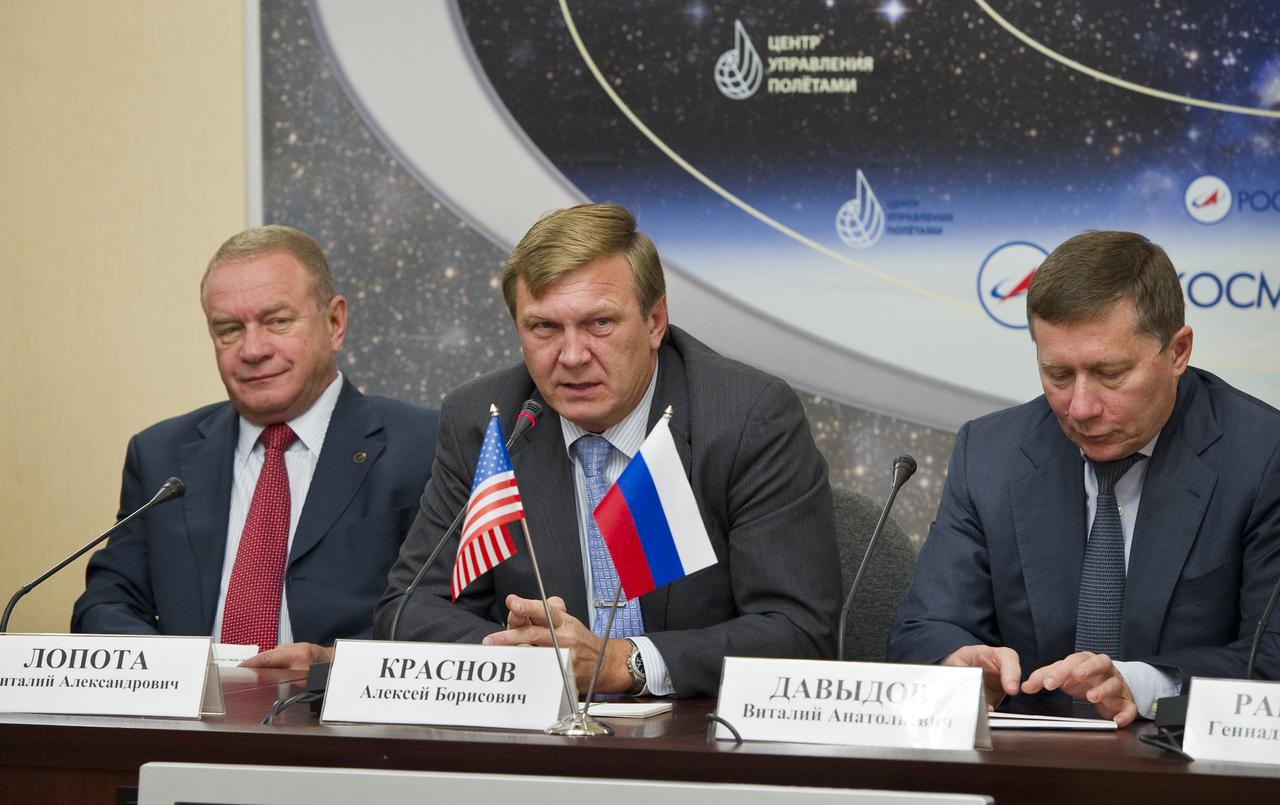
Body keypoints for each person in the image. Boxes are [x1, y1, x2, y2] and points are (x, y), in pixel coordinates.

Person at [374, 203, 840, 697]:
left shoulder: (745, 416)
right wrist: (524, 661)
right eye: (545, 328)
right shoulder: (487, 421)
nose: (572, 357)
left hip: (697, 737)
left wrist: (628, 662)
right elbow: (407, 609)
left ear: (655, 321)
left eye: (599, 323)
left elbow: (799, 632)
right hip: (538, 741)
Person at [887, 230, 1280, 726]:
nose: (1081, 407)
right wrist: (957, 663)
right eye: (1057, 375)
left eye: (1110, 373)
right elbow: (922, 630)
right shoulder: (990, 453)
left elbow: (1271, 660)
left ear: (1178, 351)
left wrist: (1141, 684)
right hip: (1024, 773)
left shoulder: (1263, 457)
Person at [72, 225, 438, 669]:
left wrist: (332, 663)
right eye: (228, 329)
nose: (252, 349)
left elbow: (446, 613)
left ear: (335, 322)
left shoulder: (424, 446)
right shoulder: (161, 455)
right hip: (194, 725)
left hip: (346, 727)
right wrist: (173, 670)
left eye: (277, 321)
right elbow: (105, 603)